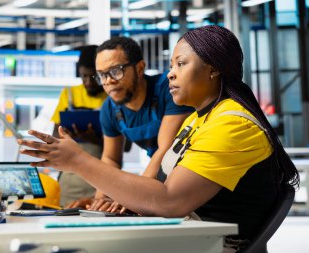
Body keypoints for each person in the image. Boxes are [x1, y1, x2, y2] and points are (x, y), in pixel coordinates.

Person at [18, 26, 299, 252]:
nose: (170, 73)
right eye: (171, 64)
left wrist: (78, 161)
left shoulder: (232, 124)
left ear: (213, 69)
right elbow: (162, 184)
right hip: (191, 234)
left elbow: (169, 201)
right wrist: (121, 199)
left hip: (213, 244)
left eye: (181, 63)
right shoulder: (199, 118)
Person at [67, 37, 194, 210]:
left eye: (116, 71)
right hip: (159, 182)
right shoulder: (110, 109)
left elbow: (165, 150)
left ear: (140, 68)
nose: (108, 81)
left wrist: (133, 196)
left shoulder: (169, 89)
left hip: (190, 176)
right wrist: (97, 202)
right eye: (102, 75)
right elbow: (110, 159)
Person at [50, 45, 107, 207]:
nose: (88, 82)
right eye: (84, 76)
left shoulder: (112, 97)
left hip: (102, 182)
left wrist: (95, 139)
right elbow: (54, 138)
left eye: (94, 77)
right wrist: (67, 134)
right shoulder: (68, 94)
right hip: (69, 181)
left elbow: (125, 147)